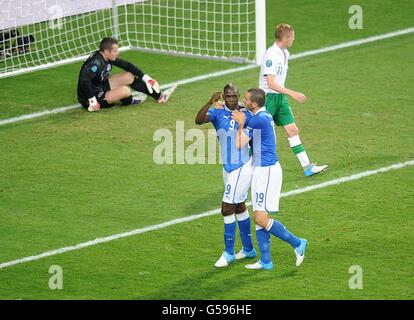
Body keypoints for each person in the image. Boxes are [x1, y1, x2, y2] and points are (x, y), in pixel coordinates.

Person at [232, 88, 307, 270]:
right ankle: (266, 261)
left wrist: (241, 123)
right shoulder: (260, 116)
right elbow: (245, 116)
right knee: (259, 215)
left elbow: (238, 143)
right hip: (260, 169)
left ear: (254, 104)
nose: (244, 100)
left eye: (247, 100)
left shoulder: (260, 119)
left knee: (260, 217)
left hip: (267, 172)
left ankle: (298, 243)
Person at [195, 83, 257, 268]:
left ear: (238, 96)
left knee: (226, 208)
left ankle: (229, 253)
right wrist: (209, 102)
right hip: (227, 168)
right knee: (239, 207)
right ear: (223, 96)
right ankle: (248, 249)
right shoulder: (217, 112)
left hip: (242, 167)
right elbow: (198, 120)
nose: (231, 99)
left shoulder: (246, 114)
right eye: (228, 96)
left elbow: (254, 137)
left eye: (234, 96)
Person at [260, 23, 327, 177]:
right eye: (293, 37)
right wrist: (291, 93)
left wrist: (285, 94)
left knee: (292, 130)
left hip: (280, 98)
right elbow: (270, 83)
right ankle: (246, 164)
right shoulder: (271, 54)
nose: (294, 39)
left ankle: (307, 167)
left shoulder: (285, 53)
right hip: (268, 98)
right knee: (261, 133)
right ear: (286, 37)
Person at [77, 37, 176, 112]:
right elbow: (84, 80)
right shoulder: (96, 63)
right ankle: (130, 101)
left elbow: (126, 65)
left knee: (128, 76)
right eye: (115, 51)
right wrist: (92, 100)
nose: (117, 53)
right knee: (125, 90)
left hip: (99, 85)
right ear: (106, 52)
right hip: (91, 96)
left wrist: (146, 78)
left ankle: (160, 97)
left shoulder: (105, 57)